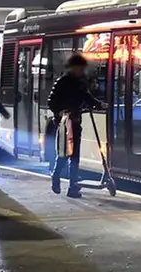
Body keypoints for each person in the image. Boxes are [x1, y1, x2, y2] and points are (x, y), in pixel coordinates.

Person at [48, 53, 108, 198]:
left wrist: (99, 105)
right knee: (64, 153)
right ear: (73, 67)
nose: (81, 71)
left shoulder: (79, 82)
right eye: (79, 68)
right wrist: (60, 111)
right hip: (65, 124)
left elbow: (87, 97)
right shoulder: (61, 82)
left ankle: (72, 187)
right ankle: (56, 176)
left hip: (75, 122)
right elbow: (51, 101)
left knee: (74, 156)